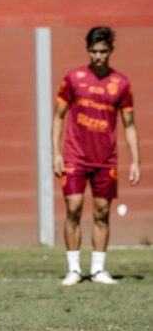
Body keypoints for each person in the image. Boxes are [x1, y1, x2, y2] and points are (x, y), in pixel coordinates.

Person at [52, 27, 141, 286]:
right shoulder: (73, 78)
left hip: (105, 160)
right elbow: (58, 117)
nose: (98, 56)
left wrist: (136, 160)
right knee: (74, 208)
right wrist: (56, 152)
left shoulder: (121, 84)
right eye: (93, 51)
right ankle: (74, 269)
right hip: (75, 157)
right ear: (88, 50)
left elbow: (129, 125)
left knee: (102, 212)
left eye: (102, 51)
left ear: (110, 50)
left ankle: (98, 269)